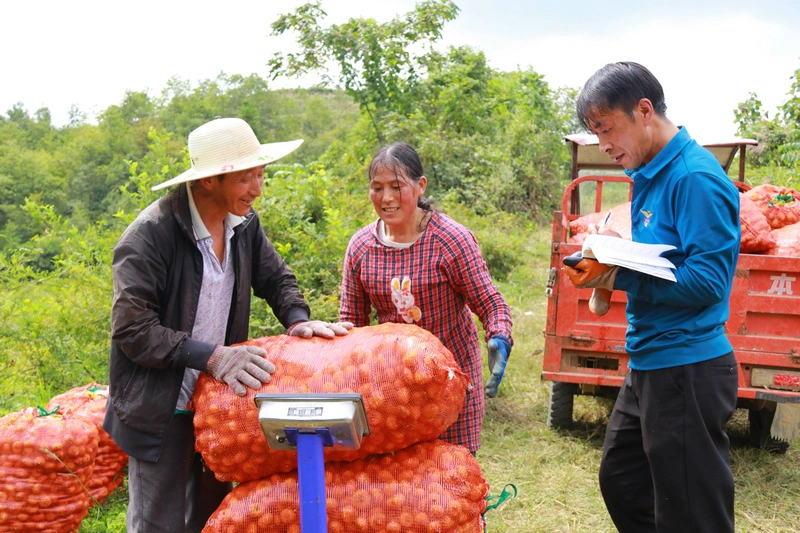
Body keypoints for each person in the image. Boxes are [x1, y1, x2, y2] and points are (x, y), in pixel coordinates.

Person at [103, 117, 352, 533]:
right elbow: (132, 330)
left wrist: (298, 321)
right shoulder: (149, 237)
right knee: (158, 522)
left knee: (210, 516)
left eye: (260, 174)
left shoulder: (243, 225)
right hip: (161, 407)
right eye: (245, 178)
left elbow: (277, 278)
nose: (257, 189)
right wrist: (214, 357)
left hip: (216, 404)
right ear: (209, 182)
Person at [563, 62, 740, 533]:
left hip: (687, 367)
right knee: (623, 481)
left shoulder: (694, 178)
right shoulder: (649, 175)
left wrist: (616, 274)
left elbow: (708, 283)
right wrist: (605, 260)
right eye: (595, 132)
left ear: (643, 111)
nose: (603, 144)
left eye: (606, 129)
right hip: (650, 361)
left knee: (692, 515)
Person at [339, 141, 513, 455]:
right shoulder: (362, 246)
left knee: (452, 475)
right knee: (402, 485)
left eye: (396, 186)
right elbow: (351, 324)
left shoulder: (450, 239)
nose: (386, 197)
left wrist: (500, 335)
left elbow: (489, 302)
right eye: (377, 188)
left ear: (420, 186)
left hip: (452, 382)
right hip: (392, 388)